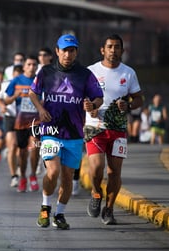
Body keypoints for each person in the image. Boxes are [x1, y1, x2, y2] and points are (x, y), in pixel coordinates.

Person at [29, 34, 103, 230]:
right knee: (52, 171)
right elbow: (32, 92)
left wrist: (92, 104)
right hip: (51, 129)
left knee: (68, 176)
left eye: (72, 50)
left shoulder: (85, 74)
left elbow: (98, 97)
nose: (68, 54)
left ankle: (59, 214)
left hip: (74, 132)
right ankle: (45, 208)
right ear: (57, 51)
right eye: (65, 50)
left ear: (76, 52)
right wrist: (41, 109)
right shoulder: (46, 72)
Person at [84, 34, 143, 225]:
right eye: (109, 46)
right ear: (103, 50)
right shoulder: (91, 71)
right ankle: (96, 193)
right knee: (96, 168)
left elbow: (139, 99)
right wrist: (89, 107)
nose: (113, 50)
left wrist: (129, 106)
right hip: (95, 127)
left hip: (118, 129)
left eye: (117, 47)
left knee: (114, 172)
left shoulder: (128, 73)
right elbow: (82, 97)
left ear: (122, 51)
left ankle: (108, 209)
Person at [4, 54, 40, 193]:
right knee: (23, 151)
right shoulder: (17, 80)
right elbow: (7, 100)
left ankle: (33, 176)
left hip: (36, 120)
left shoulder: (39, 80)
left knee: (36, 145)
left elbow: (46, 98)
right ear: (24, 66)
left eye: (34, 65)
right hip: (21, 121)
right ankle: (23, 176)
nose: (31, 67)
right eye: (29, 64)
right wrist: (15, 96)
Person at [0, 65, 23, 187]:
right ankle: (14, 176)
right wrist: (2, 106)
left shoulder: (30, 83)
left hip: (25, 119)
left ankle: (20, 170)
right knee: (12, 146)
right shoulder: (7, 84)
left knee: (21, 149)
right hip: (10, 117)